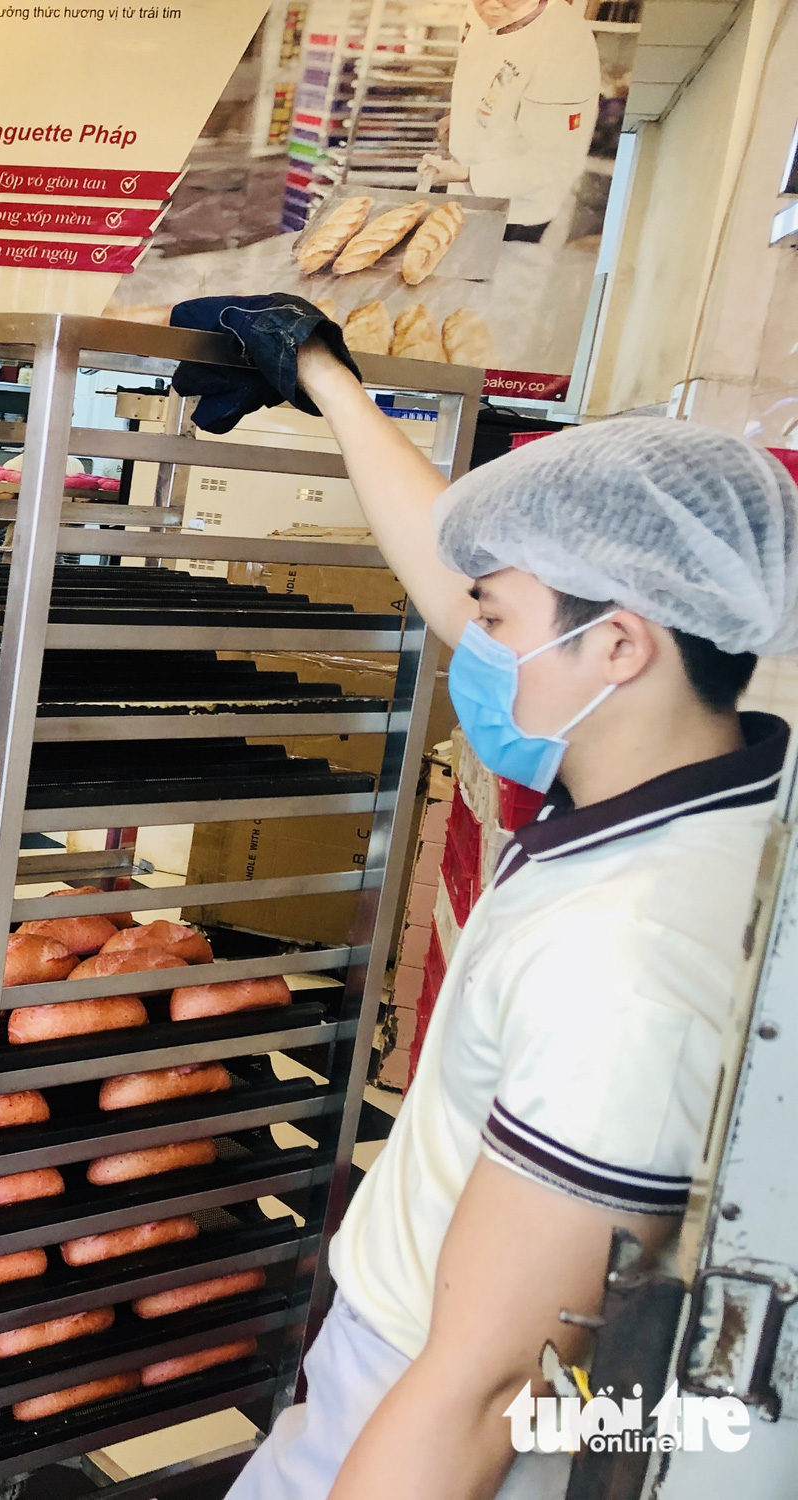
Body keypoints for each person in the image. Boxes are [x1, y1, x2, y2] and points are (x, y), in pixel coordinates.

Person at [209, 317, 797, 1498]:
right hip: (417, 1345)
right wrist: (323, 376)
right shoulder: (694, 779)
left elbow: (486, 1388)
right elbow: (468, 573)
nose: (465, 642)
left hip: (423, 1395)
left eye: (491, 623)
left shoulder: (621, 962)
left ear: (618, 645)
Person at [419, 0, 602, 242]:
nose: (491, 4)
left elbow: (554, 161)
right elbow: (491, 78)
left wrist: (466, 174)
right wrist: (464, 117)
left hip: (516, 209)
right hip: (464, 189)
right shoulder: (480, 11)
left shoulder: (565, 46)